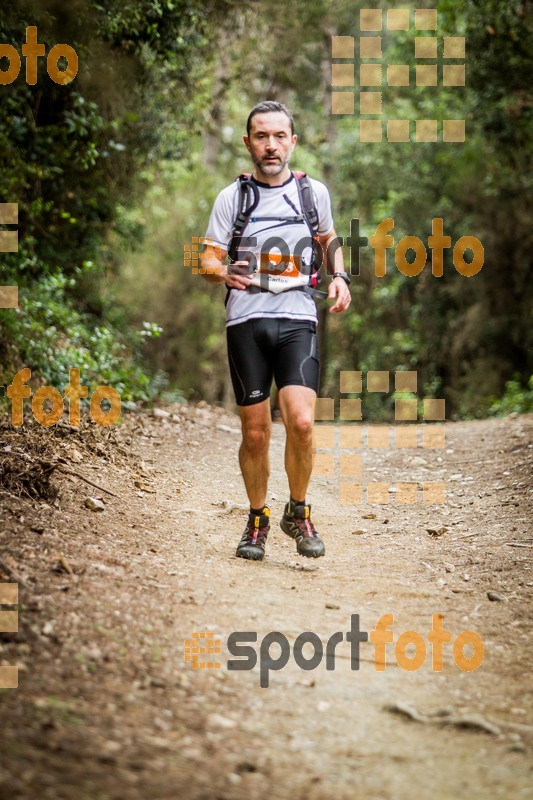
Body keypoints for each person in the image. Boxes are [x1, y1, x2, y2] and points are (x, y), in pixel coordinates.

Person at [200, 101, 350, 561]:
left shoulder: (312, 194)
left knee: (302, 422)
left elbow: (327, 238)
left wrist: (340, 276)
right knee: (256, 434)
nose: (271, 145)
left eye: (279, 136)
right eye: (261, 136)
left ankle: (299, 511)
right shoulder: (232, 198)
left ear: (292, 142)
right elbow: (205, 257)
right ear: (248, 143)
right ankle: (257, 519)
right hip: (246, 320)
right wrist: (219, 271)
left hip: (299, 314)